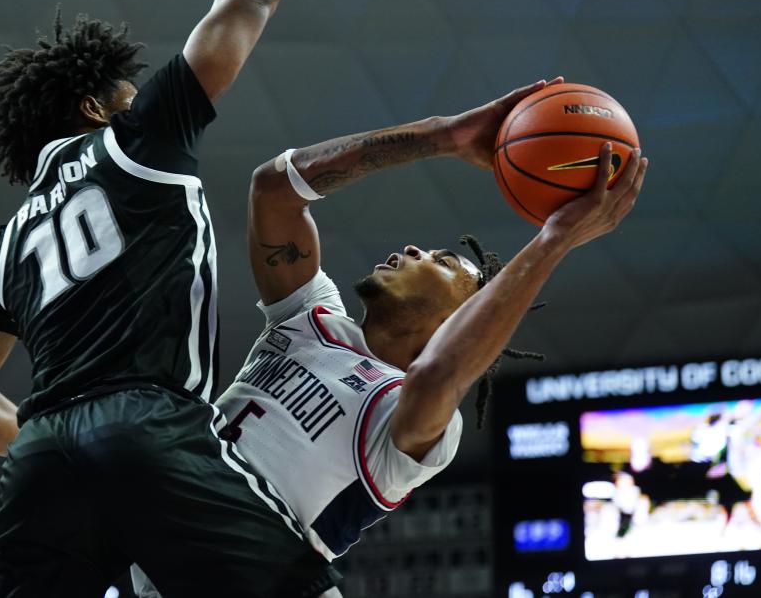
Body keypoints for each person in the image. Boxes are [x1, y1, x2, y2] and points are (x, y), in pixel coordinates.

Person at [0, 0, 342, 596]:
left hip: (42, 455)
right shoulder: (137, 140)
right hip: (147, 424)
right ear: (95, 109)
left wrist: (58, 447)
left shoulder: (7, 245)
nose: (139, 98)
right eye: (129, 93)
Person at [213, 79, 648, 561]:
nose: (414, 249)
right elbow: (273, 189)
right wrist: (443, 136)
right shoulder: (308, 316)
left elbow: (439, 374)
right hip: (150, 513)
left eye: (442, 261)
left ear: (459, 319)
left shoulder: (416, 416)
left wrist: (556, 239)